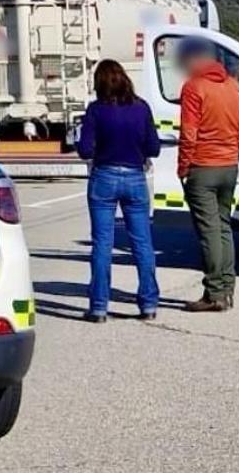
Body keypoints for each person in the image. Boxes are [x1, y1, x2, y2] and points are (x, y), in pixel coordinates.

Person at [76, 59, 161, 322]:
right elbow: (154, 148)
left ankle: (99, 307)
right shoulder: (141, 108)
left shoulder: (96, 110)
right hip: (135, 178)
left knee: (102, 243)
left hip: (104, 176)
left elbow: (86, 150)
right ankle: (148, 304)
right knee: (142, 244)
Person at [177, 39, 239, 313]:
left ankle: (214, 292)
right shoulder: (233, 86)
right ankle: (227, 288)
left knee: (208, 231)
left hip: (202, 165)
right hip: (229, 165)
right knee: (224, 226)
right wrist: (233, 155)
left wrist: (183, 167)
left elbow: (189, 133)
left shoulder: (194, 87)